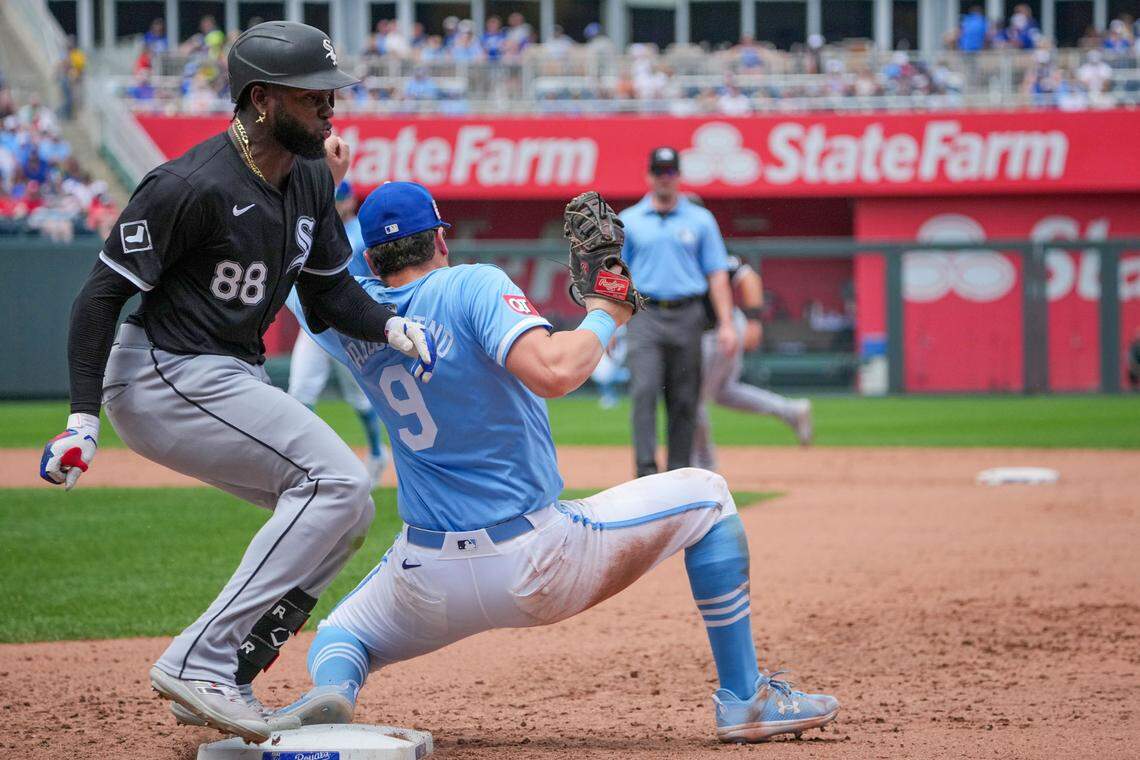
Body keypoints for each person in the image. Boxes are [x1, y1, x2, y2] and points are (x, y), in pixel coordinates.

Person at [267, 181, 839, 743]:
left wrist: (324, 181)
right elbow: (555, 372)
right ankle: (744, 699)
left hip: (426, 574)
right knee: (708, 494)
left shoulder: (350, 317)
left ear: (370, 255)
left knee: (338, 635)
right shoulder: (471, 284)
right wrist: (605, 312)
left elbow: (301, 271)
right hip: (536, 560)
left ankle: (337, 690)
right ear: (442, 239)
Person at [37, 21, 435, 745]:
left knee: (345, 510)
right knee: (337, 482)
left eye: (332, 95)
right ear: (260, 100)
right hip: (161, 371)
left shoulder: (311, 178)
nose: (330, 108)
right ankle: (199, 662)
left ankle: (229, 676)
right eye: (313, 96)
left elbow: (327, 297)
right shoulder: (188, 185)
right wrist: (81, 419)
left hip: (224, 371)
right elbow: (100, 295)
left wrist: (386, 325)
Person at [620, 147, 737, 477]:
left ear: (679, 177)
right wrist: (612, 325)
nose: (664, 178)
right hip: (644, 314)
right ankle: (645, 474)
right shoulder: (629, 219)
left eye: (670, 172)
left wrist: (727, 323)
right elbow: (619, 275)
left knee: (685, 399)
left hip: (688, 314)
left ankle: (678, 474)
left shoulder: (700, 219)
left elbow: (716, 273)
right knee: (644, 392)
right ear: (649, 176)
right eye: (659, 171)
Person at [288, 179, 389, 485]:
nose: (334, 206)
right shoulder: (312, 229)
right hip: (315, 324)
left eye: (339, 200)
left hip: (351, 327)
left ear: (350, 201)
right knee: (299, 394)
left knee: (358, 397)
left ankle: (376, 452)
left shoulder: (360, 233)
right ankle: (310, 464)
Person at [693, 256, 812, 471]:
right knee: (724, 391)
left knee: (694, 398)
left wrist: (754, 320)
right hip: (720, 328)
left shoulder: (709, 245)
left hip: (717, 332)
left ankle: (703, 465)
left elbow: (749, 277)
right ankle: (791, 411)